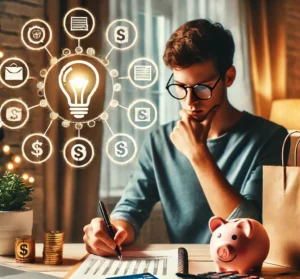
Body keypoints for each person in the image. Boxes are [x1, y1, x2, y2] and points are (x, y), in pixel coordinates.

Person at [83, 19, 288, 256]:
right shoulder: (160, 141)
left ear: (229, 77)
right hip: (187, 270)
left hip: (250, 271)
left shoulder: (272, 139)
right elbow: (131, 209)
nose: (190, 101)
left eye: (202, 87)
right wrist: (112, 232)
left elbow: (250, 227)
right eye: (180, 87)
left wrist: (198, 153)